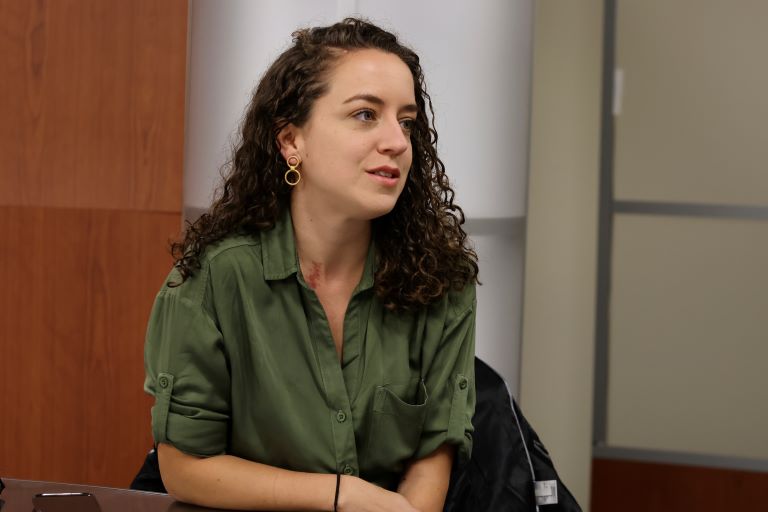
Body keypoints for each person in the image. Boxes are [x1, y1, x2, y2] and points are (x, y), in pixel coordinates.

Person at [143, 17, 479, 512]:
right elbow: (184, 468)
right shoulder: (215, 278)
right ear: (290, 141)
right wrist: (342, 496)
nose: (398, 141)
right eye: (366, 114)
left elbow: (433, 457)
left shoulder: (443, 280)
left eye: (406, 121)